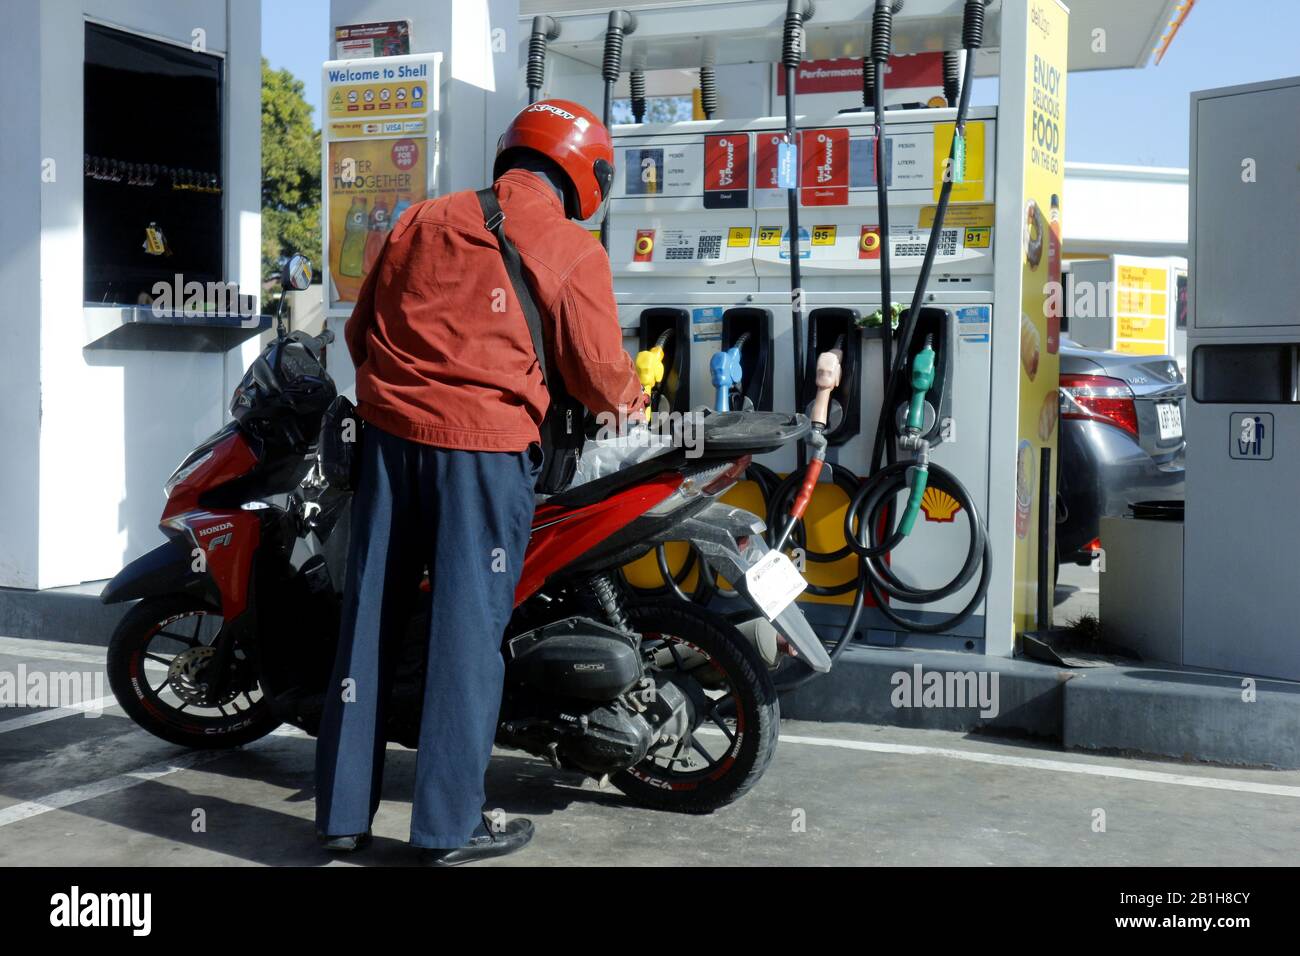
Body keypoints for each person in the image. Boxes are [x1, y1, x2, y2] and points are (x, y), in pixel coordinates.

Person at [315, 99, 646, 865]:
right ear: (584, 174)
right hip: (486, 457)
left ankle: (339, 816)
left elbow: (361, 333)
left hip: (390, 449)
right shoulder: (569, 245)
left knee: (366, 626)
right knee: (465, 639)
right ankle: (446, 826)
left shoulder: (417, 220)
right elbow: (599, 375)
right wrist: (631, 398)